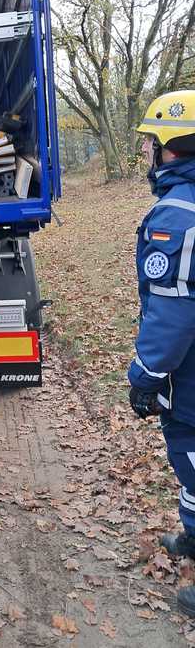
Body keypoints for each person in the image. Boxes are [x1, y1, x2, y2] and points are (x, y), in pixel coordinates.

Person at [128, 89, 195, 618]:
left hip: (191, 371)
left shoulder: (175, 214)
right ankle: (193, 536)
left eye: (151, 140)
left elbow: (172, 315)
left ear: (170, 147)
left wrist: (146, 375)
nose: (147, 150)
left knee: (192, 452)